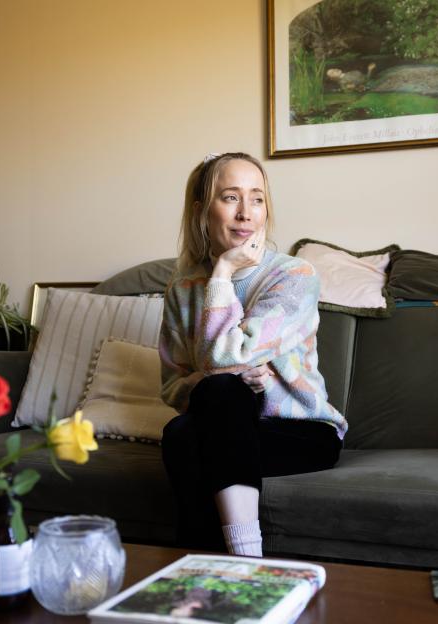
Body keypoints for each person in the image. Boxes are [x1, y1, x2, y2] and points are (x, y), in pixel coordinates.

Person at [159, 152, 347, 557]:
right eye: (230, 197)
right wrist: (220, 275)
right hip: (222, 424)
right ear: (201, 211)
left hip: (301, 431)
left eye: (257, 199)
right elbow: (173, 386)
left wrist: (223, 275)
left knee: (207, 409)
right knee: (198, 414)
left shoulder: (294, 276)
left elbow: (223, 358)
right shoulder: (183, 289)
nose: (246, 213)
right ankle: (219, 571)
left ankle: (233, 562)